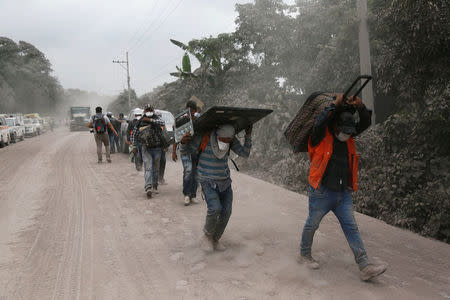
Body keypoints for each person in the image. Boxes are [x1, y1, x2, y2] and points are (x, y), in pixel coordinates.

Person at [298, 94, 388, 281]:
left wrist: (361, 107)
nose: (346, 135)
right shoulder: (320, 136)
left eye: (350, 132)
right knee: (312, 224)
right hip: (321, 192)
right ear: (336, 125)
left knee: (351, 227)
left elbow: (364, 123)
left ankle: (364, 266)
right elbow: (320, 122)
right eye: (343, 131)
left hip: (343, 194)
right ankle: (304, 255)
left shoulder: (349, 137)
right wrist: (333, 105)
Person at [180, 123, 253, 251]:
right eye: (223, 140)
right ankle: (207, 236)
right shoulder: (204, 137)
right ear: (217, 135)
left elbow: (245, 153)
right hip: (207, 179)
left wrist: (248, 136)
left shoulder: (231, 139)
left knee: (226, 212)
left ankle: (215, 239)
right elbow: (186, 151)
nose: (226, 143)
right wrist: (183, 143)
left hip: (224, 181)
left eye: (228, 141)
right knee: (215, 209)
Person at [131, 104, 165, 198]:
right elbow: (134, 134)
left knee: (156, 168)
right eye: (147, 110)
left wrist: (150, 120)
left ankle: (155, 186)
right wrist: (134, 146)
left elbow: (162, 122)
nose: (149, 111)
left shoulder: (157, 118)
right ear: (144, 111)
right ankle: (148, 187)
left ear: (153, 110)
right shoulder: (140, 121)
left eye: (150, 110)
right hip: (145, 148)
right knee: (148, 167)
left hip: (157, 147)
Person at [172, 100, 200, 206]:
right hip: (185, 151)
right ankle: (187, 195)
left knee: (196, 174)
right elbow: (176, 137)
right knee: (188, 171)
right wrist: (174, 151)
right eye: (188, 110)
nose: (190, 112)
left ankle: (193, 195)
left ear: (194, 110)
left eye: (192, 110)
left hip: (196, 151)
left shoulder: (198, 121)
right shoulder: (180, 121)